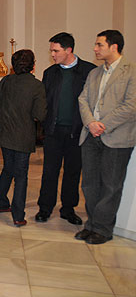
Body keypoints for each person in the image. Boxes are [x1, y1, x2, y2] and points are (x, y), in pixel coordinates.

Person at [77, 29, 136, 245]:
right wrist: (91, 123)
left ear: (114, 46)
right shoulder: (94, 73)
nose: (95, 49)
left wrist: (103, 125)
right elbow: (82, 100)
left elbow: (131, 106)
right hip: (90, 135)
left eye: (99, 45)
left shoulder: (131, 72)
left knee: (111, 185)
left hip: (117, 137)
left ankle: (103, 229)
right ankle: (91, 224)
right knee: (89, 184)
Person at [36, 32, 95, 225]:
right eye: (51, 50)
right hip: (53, 131)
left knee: (72, 172)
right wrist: (45, 124)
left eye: (56, 50)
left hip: (77, 132)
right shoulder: (50, 73)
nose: (52, 54)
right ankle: (45, 208)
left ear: (68, 50)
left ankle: (68, 209)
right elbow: (45, 102)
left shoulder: (89, 71)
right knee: (49, 171)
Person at [0, 49, 47, 226]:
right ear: (33, 65)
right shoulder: (36, 86)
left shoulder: (6, 81)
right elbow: (40, 114)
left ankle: (1, 203)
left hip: (4, 133)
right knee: (21, 175)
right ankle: (18, 215)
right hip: (23, 135)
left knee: (8, 168)